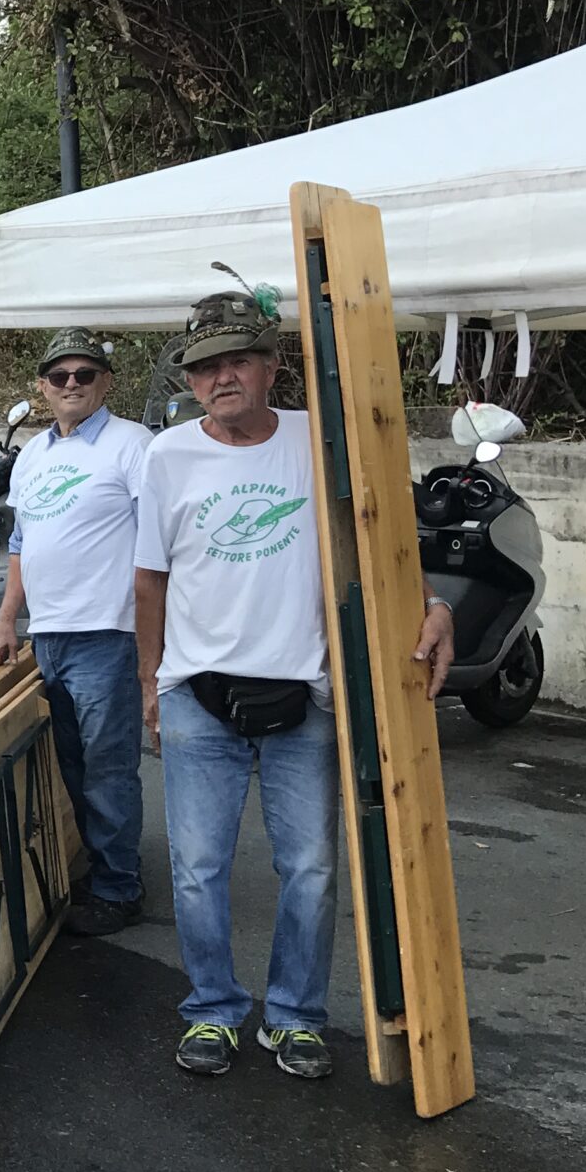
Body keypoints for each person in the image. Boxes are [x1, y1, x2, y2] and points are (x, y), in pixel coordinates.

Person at [135, 291, 454, 1081]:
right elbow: (150, 581)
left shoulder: (323, 442)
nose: (221, 377)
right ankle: (212, 1009)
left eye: (237, 358)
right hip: (196, 697)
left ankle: (295, 1016)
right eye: (204, 366)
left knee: (310, 868)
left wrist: (434, 603)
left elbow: (384, 547)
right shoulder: (167, 456)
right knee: (197, 868)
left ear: (274, 365)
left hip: (307, 698)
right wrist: (152, 681)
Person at [0, 328, 155, 937]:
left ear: (105, 383)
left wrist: (152, 638)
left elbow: (157, 542)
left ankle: (119, 887)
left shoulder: (131, 445)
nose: (71, 385)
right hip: (50, 634)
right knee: (72, 764)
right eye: (59, 376)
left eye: (84, 375)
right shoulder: (33, 455)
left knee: (109, 768)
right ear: (41, 386)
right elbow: (21, 543)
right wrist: (8, 619)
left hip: (106, 632)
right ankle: (100, 867)